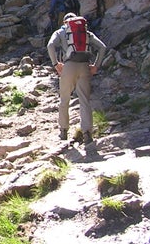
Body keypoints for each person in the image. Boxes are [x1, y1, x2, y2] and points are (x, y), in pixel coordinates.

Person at [46, 13, 107, 145]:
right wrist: (96, 66)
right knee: (84, 100)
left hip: (68, 67)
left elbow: (50, 45)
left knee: (64, 99)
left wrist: (56, 64)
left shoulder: (60, 32)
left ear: (64, 22)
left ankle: (63, 131)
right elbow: (102, 47)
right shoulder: (85, 32)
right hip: (84, 66)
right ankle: (87, 134)